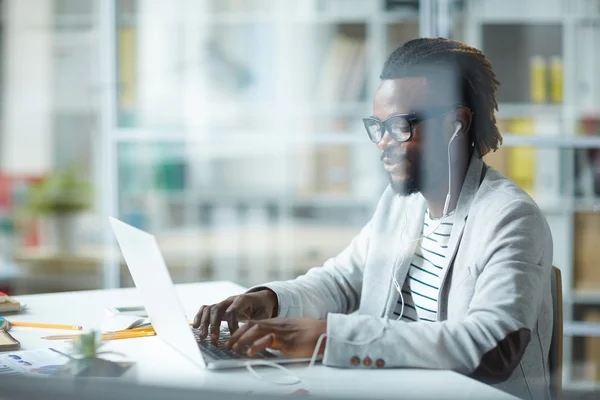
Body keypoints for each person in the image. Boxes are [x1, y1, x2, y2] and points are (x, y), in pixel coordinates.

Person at [193, 38, 553, 399]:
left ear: (457, 124)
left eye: (399, 126)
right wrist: (270, 299)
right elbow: (342, 281)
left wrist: (327, 337)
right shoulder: (401, 205)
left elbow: (494, 347)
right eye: (377, 126)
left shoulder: (509, 217)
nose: (383, 142)